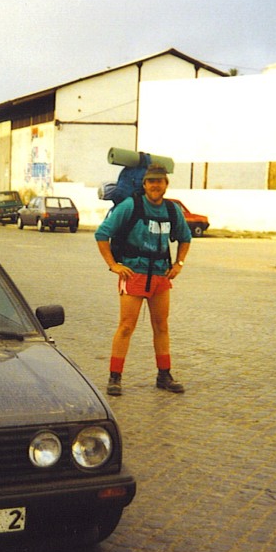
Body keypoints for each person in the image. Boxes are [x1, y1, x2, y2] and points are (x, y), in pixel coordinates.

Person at [95, 165, 191, 396]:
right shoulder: (131, 205)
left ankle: (164, 375)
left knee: (161, 326)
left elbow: (185, 237)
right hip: (134, 273)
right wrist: (114, 265)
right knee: (126, 326)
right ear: (145, 184)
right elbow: (102, 234)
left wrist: (179, 264)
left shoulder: (172, 209)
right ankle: (115, 377)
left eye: (160, 181)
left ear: (166, 184)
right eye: (151, 182)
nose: (155, 185)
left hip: (160, 275)